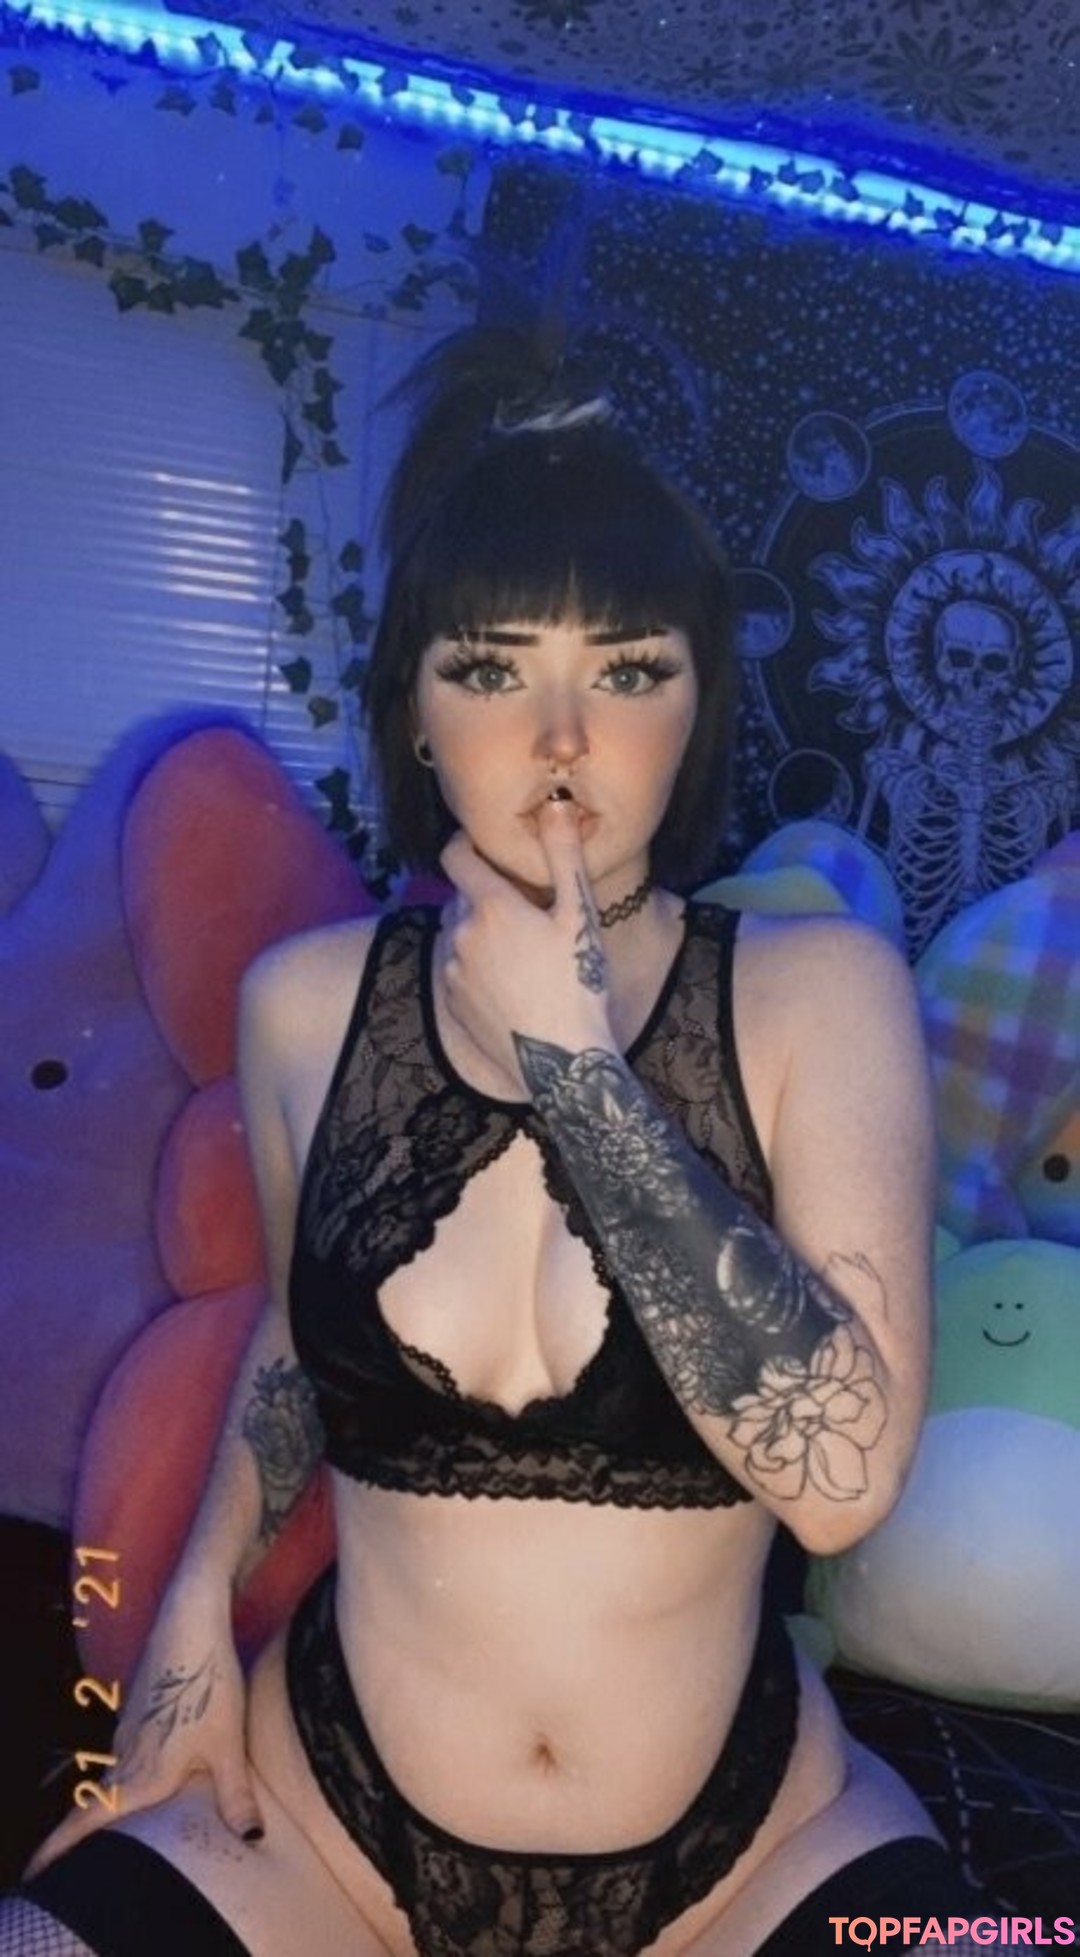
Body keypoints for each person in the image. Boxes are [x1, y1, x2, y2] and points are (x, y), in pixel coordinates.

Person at [3, 327, 983, 1957]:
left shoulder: (821, 994)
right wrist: (187, 1614)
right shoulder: (303, 1005)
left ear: (698, 703)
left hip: (752, 1853)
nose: (560, 737)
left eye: (629, 669)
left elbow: (842, 1487)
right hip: (331, 1826)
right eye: (491, 667)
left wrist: (577, 1068)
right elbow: (298, 1344)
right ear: (416, 706)